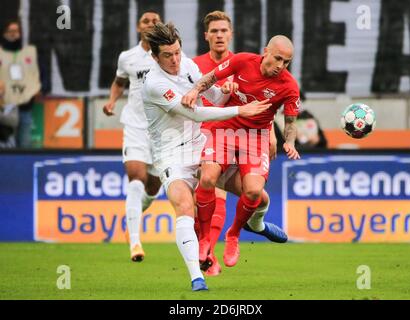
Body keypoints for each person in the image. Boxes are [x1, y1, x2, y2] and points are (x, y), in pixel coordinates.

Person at [141, 22, 271, 291]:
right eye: (167, 55)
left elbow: (213, 98)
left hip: (200, 145)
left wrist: (226, 91)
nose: (175, 59)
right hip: (171, 155)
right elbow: (194, 113)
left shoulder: (187, 65)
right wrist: (239, 111)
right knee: (184, 207)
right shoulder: (154, 83)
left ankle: (257, 224)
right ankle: (196, 276)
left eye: (177, 52)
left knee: (258, 196)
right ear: (155, 56)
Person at [182, 35, 301, 268]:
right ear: (266, 51)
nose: (281, 66)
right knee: (207, 178)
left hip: (255, 139)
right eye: (278, 58)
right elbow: (211, 77)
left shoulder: (289, 86)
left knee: (255, 193)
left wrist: (290, 142)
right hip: (224, 129)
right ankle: (205, 240)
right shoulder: (242, 61)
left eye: (286, 62)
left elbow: (290, 123)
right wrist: (196, 91)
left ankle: (234, 235)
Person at [103, 11, 163, 262]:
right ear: (139, 27)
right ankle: (135, 243)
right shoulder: (128, 57)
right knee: (136, 179)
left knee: (153, 186)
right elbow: (119, 81)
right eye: (145, 21)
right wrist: (111, 101)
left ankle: (133, 220)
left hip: (162, 130)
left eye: (154, 21)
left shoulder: (170, 55)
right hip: (135, 126)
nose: (150, 24)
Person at [0, 20, 41, 148]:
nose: (13, 34)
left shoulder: (30, 53)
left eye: (16, 31)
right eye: (10, 31)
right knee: (5, 145)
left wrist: (38, 89)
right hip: (3, 106)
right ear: (4, 33)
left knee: (24, 143)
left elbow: (40, 72)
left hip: (25, 106)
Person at [0, 80, 18, 148]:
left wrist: (1, 116)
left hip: (6, 140)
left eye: (1, 89)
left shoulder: (10, 104)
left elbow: (14, 121)